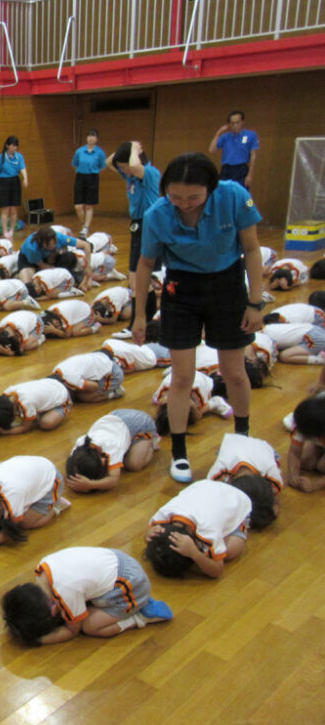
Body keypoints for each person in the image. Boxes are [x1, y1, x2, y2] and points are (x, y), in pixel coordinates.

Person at [132, 152, 264, 483]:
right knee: (181, 376)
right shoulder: (157, 213)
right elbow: (146, 264)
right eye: (176, 196)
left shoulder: (233, 196)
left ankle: (242, 437)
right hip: (181, 288)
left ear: (210, 188)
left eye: (194, 197)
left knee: (234, 371)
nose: (185, 204)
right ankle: (179, 452)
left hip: (227, 284)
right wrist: (139, 315)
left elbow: (251, 249)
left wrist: (255, 303)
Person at [1, 547, 173, 646]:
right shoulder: (41, 570)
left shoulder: (66, 593)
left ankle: (139, 615)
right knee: (80, 611)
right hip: (119, 562)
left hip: (132, 585)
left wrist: (39, 640)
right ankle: (130, 606)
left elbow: (71, 631)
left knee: (90, 626)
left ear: (54, 610)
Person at [144, 480, 253, 578]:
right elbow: (151, 537)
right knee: (215, 552)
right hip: (206, 487)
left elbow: (217, 571)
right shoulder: (163, 516)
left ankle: (241, 522)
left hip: (236, 499)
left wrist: (195, 554)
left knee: (229, 552)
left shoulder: (208, 532)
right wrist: (148, 535)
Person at [107, 141, 161, 336]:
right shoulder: (130, 175)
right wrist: (128, 145)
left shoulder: (149, 172)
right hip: (137, 225)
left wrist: (135, 150)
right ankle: (149, 320)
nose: (122, 170)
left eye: (124, 166)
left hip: (149, 225)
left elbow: (136, 166)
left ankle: (135, 325)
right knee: (139, 280)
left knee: (136, 278)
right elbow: (109, 162)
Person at [65, 410, 160, 493]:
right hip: (116, 417)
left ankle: (152, 440)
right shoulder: (80, 445)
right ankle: (128, 445)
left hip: (141, 424)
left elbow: (114, 480)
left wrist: (91, 484)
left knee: (133, 465)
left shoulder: (111, 448)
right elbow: (72, 464)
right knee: (122, 460)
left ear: (101, 456)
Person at [207, 433, 281, 529]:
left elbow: (275, 505)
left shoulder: (272, 474)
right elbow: (210, 496)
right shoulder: (220, 469)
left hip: (263, 448)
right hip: (232, 442)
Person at [0, 378, 72, 435]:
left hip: (61, 396)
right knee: (31, 415)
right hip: (49, 383)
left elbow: (25, 428)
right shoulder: (8, 392)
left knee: (46, 423)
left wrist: (5, 432)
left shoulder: (27, 404)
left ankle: (65, 406)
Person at [17, 226, 91, 284]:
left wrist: (88, 267)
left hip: (49, 256)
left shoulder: (59, 237)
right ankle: (19, 274)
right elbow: (42, 265)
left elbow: (86, 245)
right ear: (41, 242)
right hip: (29, 260)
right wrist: (60, 272)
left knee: (69, 257)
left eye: (54, 244)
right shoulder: (32, 248)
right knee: (29, 285)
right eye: (49, 245)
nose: (52, 246)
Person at [208, 110, 258, 189]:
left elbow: (253, 155)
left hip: (241, 168)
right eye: (232, 123)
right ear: (229, 124)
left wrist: (250, 175)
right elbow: (211, 149)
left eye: (237, 122)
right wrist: (218, 133)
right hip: (226, 169)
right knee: (224, 192)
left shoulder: (251, 135)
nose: (235, 125)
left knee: (245, 194)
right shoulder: (225, 137)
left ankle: (251, 202)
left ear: (242, 122)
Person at [51, 349, 125, 403]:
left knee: (84, 397)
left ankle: (115, 392)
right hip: (101, 360)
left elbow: (95, 386)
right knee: (77, 392)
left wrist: (77, 389)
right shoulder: (56, 371)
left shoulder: (71, 380)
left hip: (113, 373)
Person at [0, 135, 27, 239]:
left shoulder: (19, 156)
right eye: (12, 145)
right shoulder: (1, 157)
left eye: (16, 146)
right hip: (4, 182)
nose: (14, 148)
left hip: (15, 181)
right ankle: (5, 230)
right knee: (5, 209)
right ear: (7, 145)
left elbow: (23, 168)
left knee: (14, 209)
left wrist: (25, 178)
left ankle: (12, 229)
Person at [72, 128, 106, 237]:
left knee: (89, 206)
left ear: (97, 139)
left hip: (93, 178)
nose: (91, 137)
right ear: (86, 138)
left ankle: (86, 227)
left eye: (93, 136)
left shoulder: (100, 153)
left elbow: (102, 166)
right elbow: (75, 164)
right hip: (80, 177)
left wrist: (93, 173)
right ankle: (84, 223)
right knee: (78, 206)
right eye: (89, 135)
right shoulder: (79, 151)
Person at [286, 395, 325, 492]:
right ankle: (318, 448)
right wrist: (293, 474)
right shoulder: (303, 425)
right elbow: (294, 453)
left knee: (322, 466)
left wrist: (315, 484)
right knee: (306, 463)